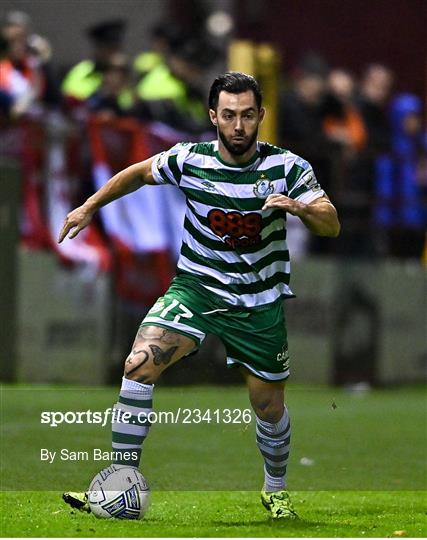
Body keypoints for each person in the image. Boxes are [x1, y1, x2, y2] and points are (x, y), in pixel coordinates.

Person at [59, 72, 340, 520]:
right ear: (213, 116)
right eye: (228, 115)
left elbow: (331, 222)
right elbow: (137, 172)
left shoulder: (287, 168)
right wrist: (90, 205)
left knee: (268, 407)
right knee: (138, 364)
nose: (239, 126)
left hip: (258, 301)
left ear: (261, 116)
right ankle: (121, 481)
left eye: (248, 115)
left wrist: (301, 208)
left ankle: (276, 488)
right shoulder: (190, 159)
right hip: (197, 289)